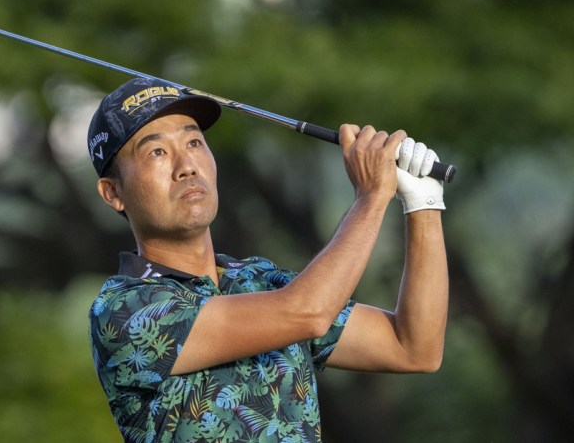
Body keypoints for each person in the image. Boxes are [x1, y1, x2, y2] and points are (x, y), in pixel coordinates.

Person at [87, 77, 448, 442]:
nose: (187, 165)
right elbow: (308, 311)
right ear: (113, 192)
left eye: (194, 142)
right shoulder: (124, 311)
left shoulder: (259, 280)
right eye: (157, 152)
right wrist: (371, 197)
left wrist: (423, 206)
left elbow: (414, 348)